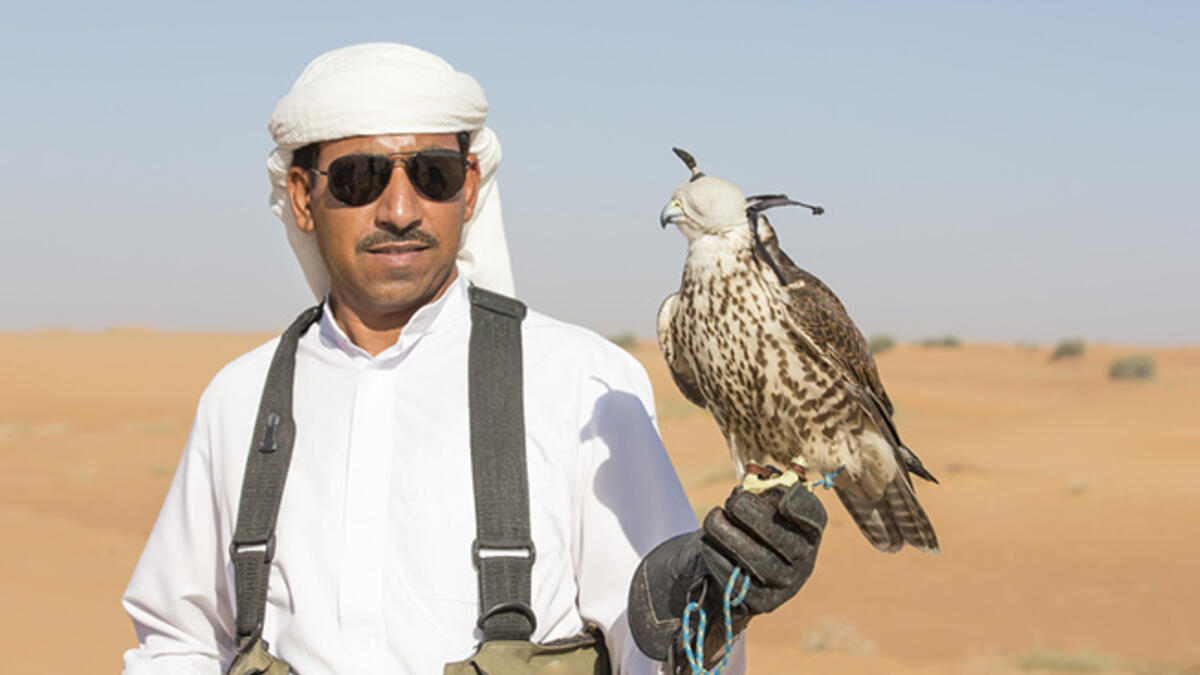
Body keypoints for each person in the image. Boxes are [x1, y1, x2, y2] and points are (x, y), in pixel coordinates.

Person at [121, 43, 825, 674]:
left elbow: (660, 644)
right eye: (362, 177)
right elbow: (177, 644)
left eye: (432, 173)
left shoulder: (580, 383)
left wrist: (703, 621)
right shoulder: (241, 402)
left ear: (470, 188)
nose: (401, 208)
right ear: (304, 197)